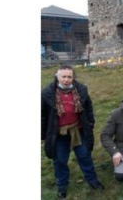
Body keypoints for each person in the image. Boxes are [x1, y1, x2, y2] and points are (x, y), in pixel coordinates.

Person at [41, 65, 104, 199]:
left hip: (78, 130)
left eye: (69, 76)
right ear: (57, 77)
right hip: (59, 133)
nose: (66, 79)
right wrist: (43, 133)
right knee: (60, 160)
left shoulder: (81, 90)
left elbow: (89, 109)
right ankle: (62, 185)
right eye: (63, 76)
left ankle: (92, 180)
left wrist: (90, 124)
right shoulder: (47, 92)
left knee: (84, 155)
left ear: (73, 77)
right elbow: (43, 115)